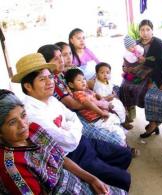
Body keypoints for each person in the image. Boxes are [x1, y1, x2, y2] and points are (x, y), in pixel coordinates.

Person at [11, 53, 132, 191]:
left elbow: (73, 118)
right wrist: (70, 127)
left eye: (50, 77)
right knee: (124, 178)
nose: (50, 82)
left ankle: (107, 175)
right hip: (73, 155)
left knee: (125, 154)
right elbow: (67, 140)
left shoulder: (50, 99)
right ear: (28, 86)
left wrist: (68, 126)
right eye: (42, 79)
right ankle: (109, 179)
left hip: (83, 141)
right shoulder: (31, 113)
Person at [0, 89, 127, 195]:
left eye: (23, 115)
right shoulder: (11, 167)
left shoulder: (34, 129)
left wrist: (92, 179)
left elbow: (60, 158)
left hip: (75, 181)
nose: (23, 125)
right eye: (12, 122)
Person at [38, 44, 124, 146]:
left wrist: (98, 101)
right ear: (47, 63)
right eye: (56, 59)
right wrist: (99, 104)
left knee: (113, 117)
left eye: (61, 56)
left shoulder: (61, 74)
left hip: (82, 106)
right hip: (75, 112)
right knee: (110, 136)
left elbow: (84, 86)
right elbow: (73, 105)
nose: (61, 60)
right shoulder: (54, 81)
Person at [119, 19, 162, 124]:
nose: (145, 33)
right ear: (139, 31)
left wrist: (146, 61)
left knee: (142, 91)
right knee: (124, 87)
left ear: (152, 31)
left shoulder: (158, 43)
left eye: (148, 29)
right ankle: (130, 110)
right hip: (134, 72)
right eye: (142, 30)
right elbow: (127, 56)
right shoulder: (135, 42)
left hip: (151, 72)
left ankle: (153, 121)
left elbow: (161, 63)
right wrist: (124, 67)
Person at [93, 62, 133, 129]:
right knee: (117, 109)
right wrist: (110, 97)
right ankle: (123, 123)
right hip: (105, 102)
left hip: (112, 98)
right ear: (97, 75)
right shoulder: (98, 85)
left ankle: (125, 118)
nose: (105, 75)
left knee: (121, 105)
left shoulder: (108, 81)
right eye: (102, 73)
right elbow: (100, 99)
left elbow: (111, 89)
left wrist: (114, 96)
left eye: (107, 73)